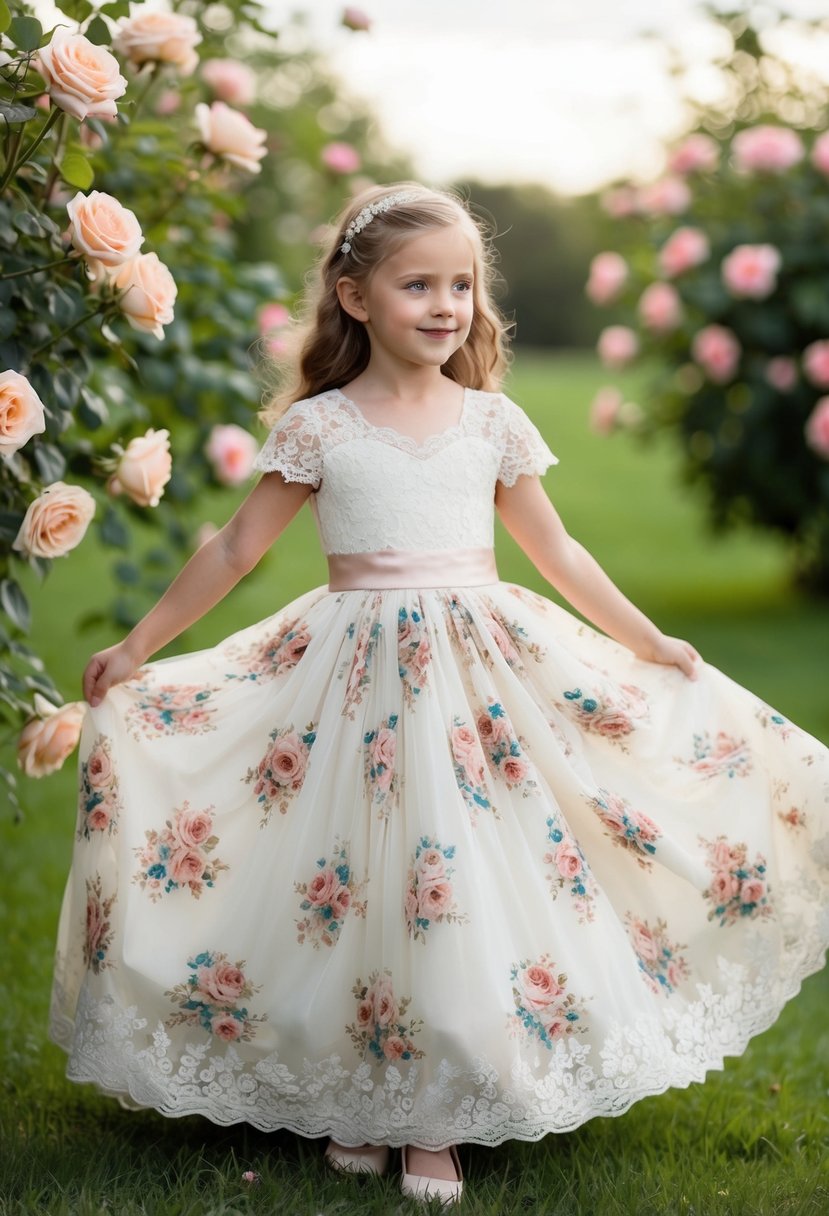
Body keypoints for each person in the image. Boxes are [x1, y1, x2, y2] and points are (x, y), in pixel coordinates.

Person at [51, 182, 829, 1206]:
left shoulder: (490, 422)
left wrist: (644, 639)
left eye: (460, 285)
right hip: (350, 675)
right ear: (354, 295)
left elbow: (556, 550)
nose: (444, 304)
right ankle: (367, 1093)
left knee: (447, 872)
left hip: (474, 677)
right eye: (417, 284)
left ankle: (434, 1116)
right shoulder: (321, 428)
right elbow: (238, 546)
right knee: (354, 882)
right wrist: (141, 644)